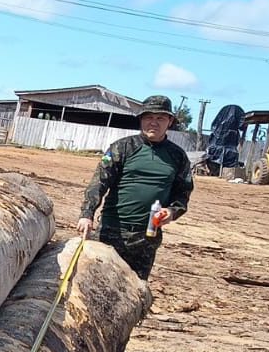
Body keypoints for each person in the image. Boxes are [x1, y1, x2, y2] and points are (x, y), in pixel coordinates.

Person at [77, 94, 193, 280]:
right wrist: (86, 214)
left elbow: (183, 194)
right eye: (148, 117)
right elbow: (99, 183)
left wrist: (172, 212)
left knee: (134, 292)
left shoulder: (178, 156)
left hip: (146, 237)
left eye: (160, 118)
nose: (153, 123)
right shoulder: (122, 148)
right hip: (112, 231)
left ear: (169, 121)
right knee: (95, 285)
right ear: (141, 119)